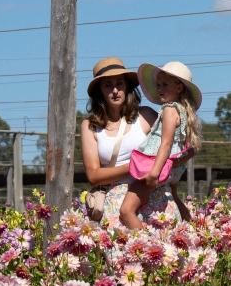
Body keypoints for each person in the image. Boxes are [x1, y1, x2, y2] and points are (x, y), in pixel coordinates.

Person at [79, 57, 191, 228]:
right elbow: (93, 177)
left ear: (127, 87)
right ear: (99, 91)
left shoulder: (146, 116)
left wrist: (174, 192)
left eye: (120, 84)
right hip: (115, 207)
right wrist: (138, 165)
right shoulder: (90, 126)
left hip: (157, 202)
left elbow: (181, 147)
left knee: (161, 252)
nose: (115, 90)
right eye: (108, 85)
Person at [120, 61, 202, 230]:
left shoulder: (170, 110)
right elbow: (181, 148)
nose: (160, 89)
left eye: (165, 85)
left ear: (179, 88)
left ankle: (144, 246)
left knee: (126, 210)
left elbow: (165, 143)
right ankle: (192, 227)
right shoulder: (183, 111)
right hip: (172, 169)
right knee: (174, 199)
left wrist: (154, 173)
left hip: (155, 166)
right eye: (158, 85)